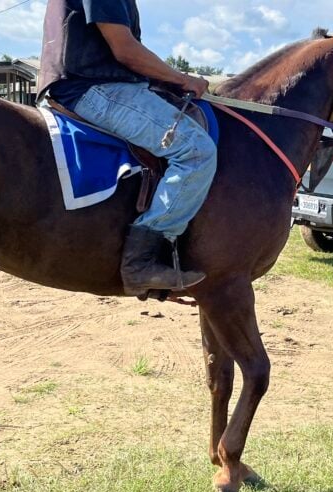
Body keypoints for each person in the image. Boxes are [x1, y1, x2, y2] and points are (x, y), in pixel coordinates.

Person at [37, 0, 217, 296]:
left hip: (85, 84)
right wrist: (182, 78)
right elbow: (125, 49)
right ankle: (141, 262)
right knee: (196, 151)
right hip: (94, 88)